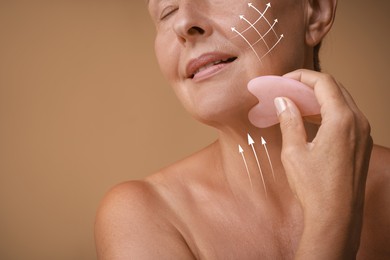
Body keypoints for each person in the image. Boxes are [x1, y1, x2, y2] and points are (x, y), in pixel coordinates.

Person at [95, 0, 390, 258]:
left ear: (315, 11)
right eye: (167, 11)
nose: (183, 24)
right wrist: (332, 223)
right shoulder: (143, 215)